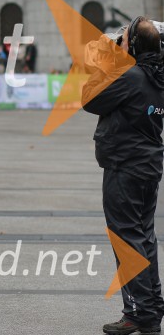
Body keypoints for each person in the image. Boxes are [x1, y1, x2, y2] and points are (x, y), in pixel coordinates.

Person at [82, 17, 164, 335]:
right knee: (144, 238)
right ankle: (150, 311)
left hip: (124, 166)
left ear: (133, 46)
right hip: (147, 165)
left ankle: (139, 312)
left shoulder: (130, 77)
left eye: (126, 38)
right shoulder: (156, 76)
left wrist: (108, 61)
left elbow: (89, 98)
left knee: (126, 240)